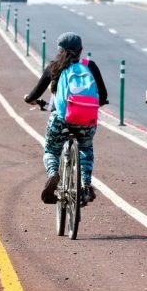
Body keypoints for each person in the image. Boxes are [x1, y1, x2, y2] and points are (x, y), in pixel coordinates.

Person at [24, 32, 108, 205]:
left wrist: (29, 99)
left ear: (59, 50)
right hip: (86, 121)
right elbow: (103, 95)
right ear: (81, 50)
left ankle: (53, 172)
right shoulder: (90, 66)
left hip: (61, 119)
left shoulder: (54, 67)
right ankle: (85, 184)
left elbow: (35, 93)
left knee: (50, 150)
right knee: (86, 149)